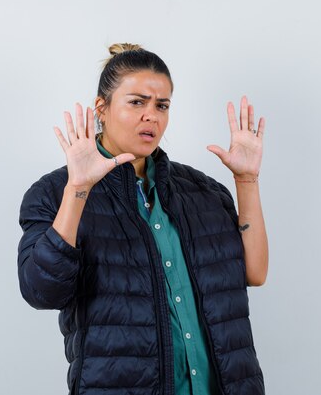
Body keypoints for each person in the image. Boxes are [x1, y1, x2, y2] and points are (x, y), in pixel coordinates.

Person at [17, 43, 268, 395]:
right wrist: (78, 189)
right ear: (101, 109)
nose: (151, 115)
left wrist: (246, 181)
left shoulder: (203, 192)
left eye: (161, 106)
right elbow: (41, 290)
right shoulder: (54, 192)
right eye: (137, 102)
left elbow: (254, 273)